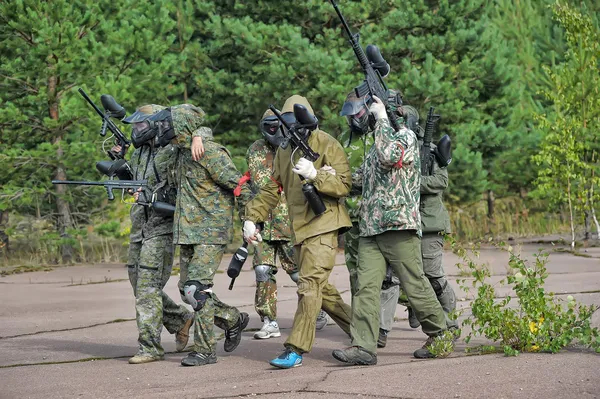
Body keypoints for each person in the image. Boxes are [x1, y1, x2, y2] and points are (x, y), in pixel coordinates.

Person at [332, 96, 450, 366]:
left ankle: (440, 334)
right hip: (371, 227)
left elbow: (389, 157)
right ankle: (363, 345)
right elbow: (359, 179)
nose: (374, 117)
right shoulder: (378, 145)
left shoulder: (406, 139)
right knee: (365, 287)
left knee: (414, 283)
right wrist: (321, 174)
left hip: (398, 225)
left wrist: (383, 118)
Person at [243, 95, 353, 369]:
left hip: (324, 225)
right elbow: (271, 188)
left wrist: (317, 175)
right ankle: (365, 331)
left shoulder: (327, 143)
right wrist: (251, 217)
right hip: (300, 230)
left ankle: (295, 349)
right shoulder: (284, 151)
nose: (293, 131)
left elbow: (344, 185)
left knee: (309, 286)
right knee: (321, 290)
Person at [148, 104, 254, 367]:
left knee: (197, 290)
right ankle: (232, 319)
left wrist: (249, 221)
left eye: (171, 126)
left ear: (181, 126)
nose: (166, 131)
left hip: (210, 231)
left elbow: (241, 186)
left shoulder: (209, 152)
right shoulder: (180, 152)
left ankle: (205, 351)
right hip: (186, 231)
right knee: (186, 290)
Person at [119, 104, 194, 365]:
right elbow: (134, 180)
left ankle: (150, 346)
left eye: (141, 125)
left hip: (161, 226)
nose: (136, 130)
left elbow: (183, 188)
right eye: (135, 126)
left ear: (155, 125)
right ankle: (180, 318)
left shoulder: (172, 151)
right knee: (137, 283)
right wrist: (120, 163)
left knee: (148, 287)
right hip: (140, 225)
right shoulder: (140, 152)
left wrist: (155, 196)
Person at [246, 109, 328, 339]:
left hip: (290, 223)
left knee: (299, 273)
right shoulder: (255, 149)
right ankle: (269, 320)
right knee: (263, 271)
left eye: (277, 125)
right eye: (269, 126)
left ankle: (319, 308)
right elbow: (251, 184)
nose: (274, 131)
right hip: (264, 223)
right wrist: (251, 216)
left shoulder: (294, 145)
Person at [379, 105, 458, 333]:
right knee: (394, 276)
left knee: (432, 275)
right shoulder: (392, 149)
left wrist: (411, 182)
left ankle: (448, 318)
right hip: (402, 221)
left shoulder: (431, 151)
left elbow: (440, 182)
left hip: (429, 223)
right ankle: (382, 330)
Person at [337, 90, 401, 349]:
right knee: (357, 275)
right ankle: (363, 326)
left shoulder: (386, 133)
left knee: (387, 276)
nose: (354, 119)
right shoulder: (344, 139)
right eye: (350, 115)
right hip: (353, 217)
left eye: (359, 113)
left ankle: (382, 326)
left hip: (382, 216)